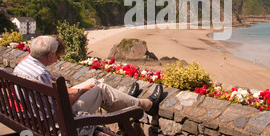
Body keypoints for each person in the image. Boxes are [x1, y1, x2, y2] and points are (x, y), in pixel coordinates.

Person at [13, 35, 162, 116]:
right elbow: (63, 102)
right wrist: (81, 91)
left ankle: (128, 101)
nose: (56, 59)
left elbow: (53, 97)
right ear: (50, 55)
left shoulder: (23, 66)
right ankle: (145, 105)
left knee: (93, 80)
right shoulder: (41, 74)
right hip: (61, 118)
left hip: (39, 114)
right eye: (56, 56)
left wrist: (77, 90)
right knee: (100, 88)